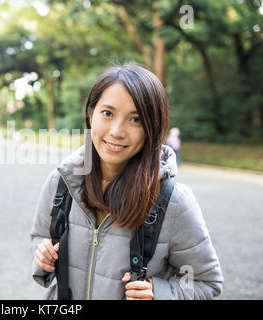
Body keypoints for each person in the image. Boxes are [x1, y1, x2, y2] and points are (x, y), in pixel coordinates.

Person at [30, 63, 223, 300]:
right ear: (91, 115)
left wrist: (158, 292)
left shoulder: (173, 201)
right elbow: (40, 237)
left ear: (152, 128)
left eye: (135, 119)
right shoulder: (62, 182)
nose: (117, 131)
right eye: (108, 113)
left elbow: (206, 282)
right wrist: (42, 256)